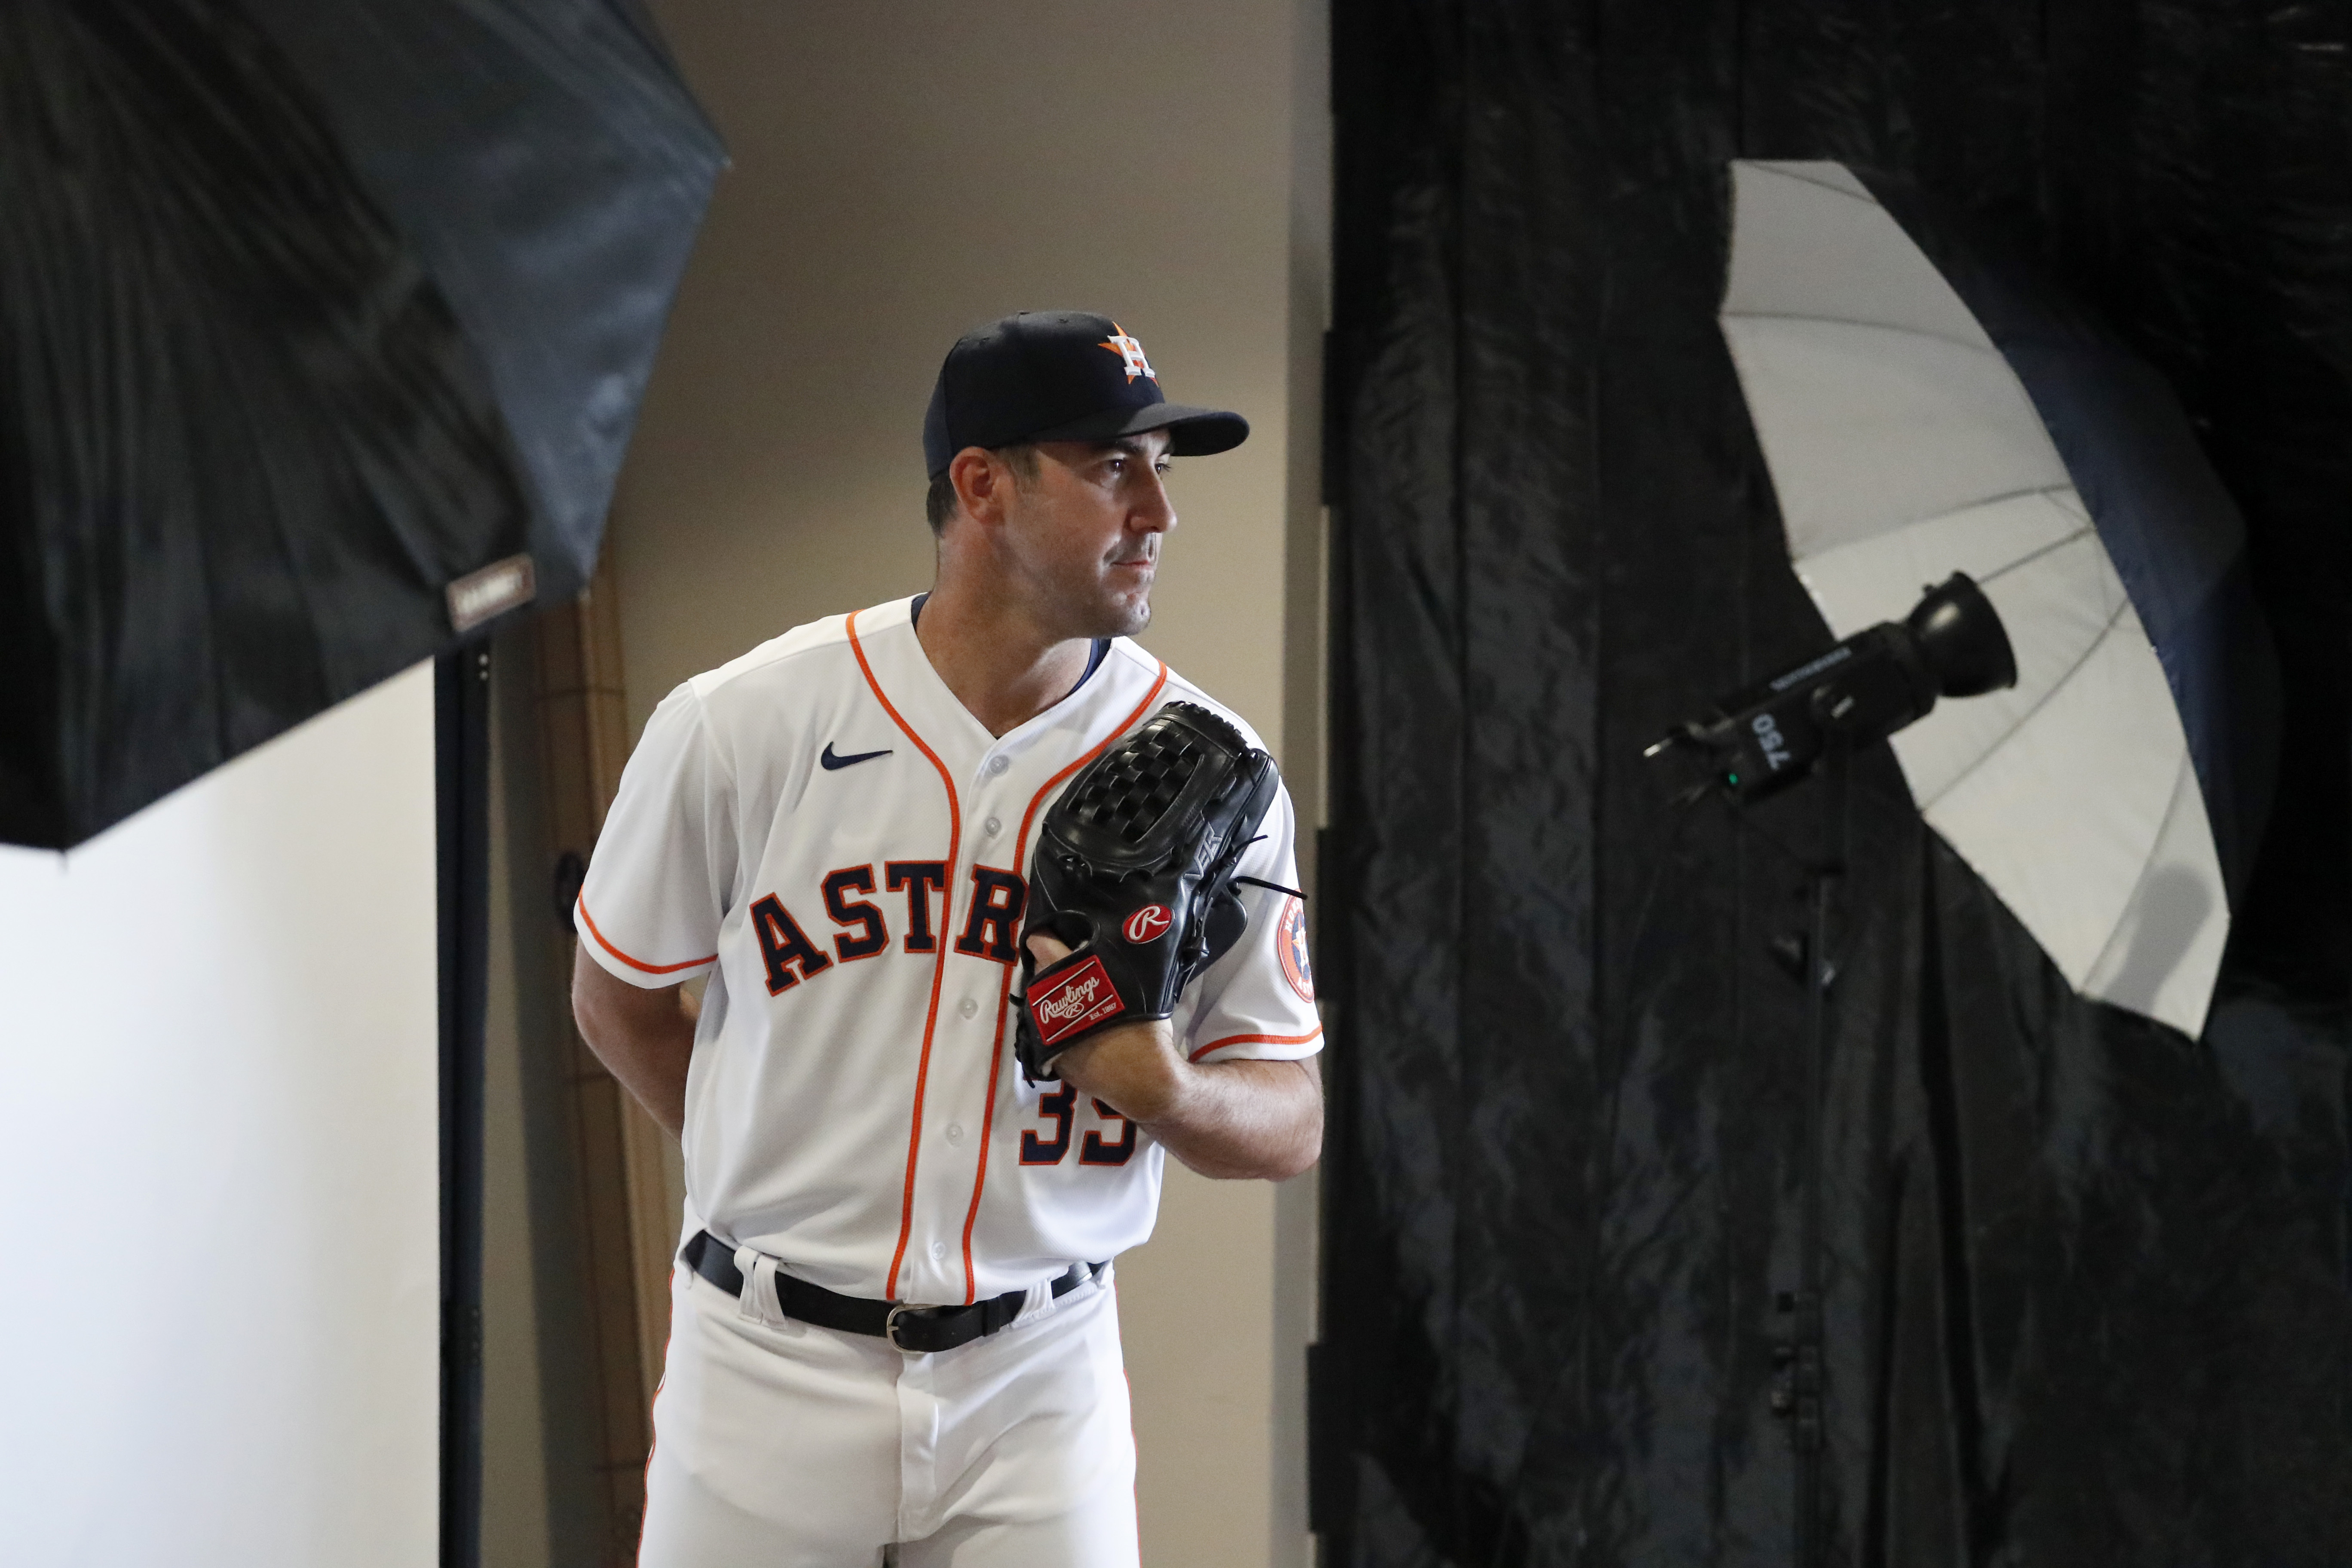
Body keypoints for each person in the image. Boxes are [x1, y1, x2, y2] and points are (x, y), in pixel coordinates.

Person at [570, 309, 1325, 1567]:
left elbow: (1291, 1114)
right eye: (1110, 466)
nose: (1157, 511)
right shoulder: (742, 723)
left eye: (1164, 470)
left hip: (1040, 1377)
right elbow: (622, 1003)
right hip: (764, 1367)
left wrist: (1170, 1092)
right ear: (983, 483)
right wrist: (765, 1163)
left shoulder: (1210, 771)